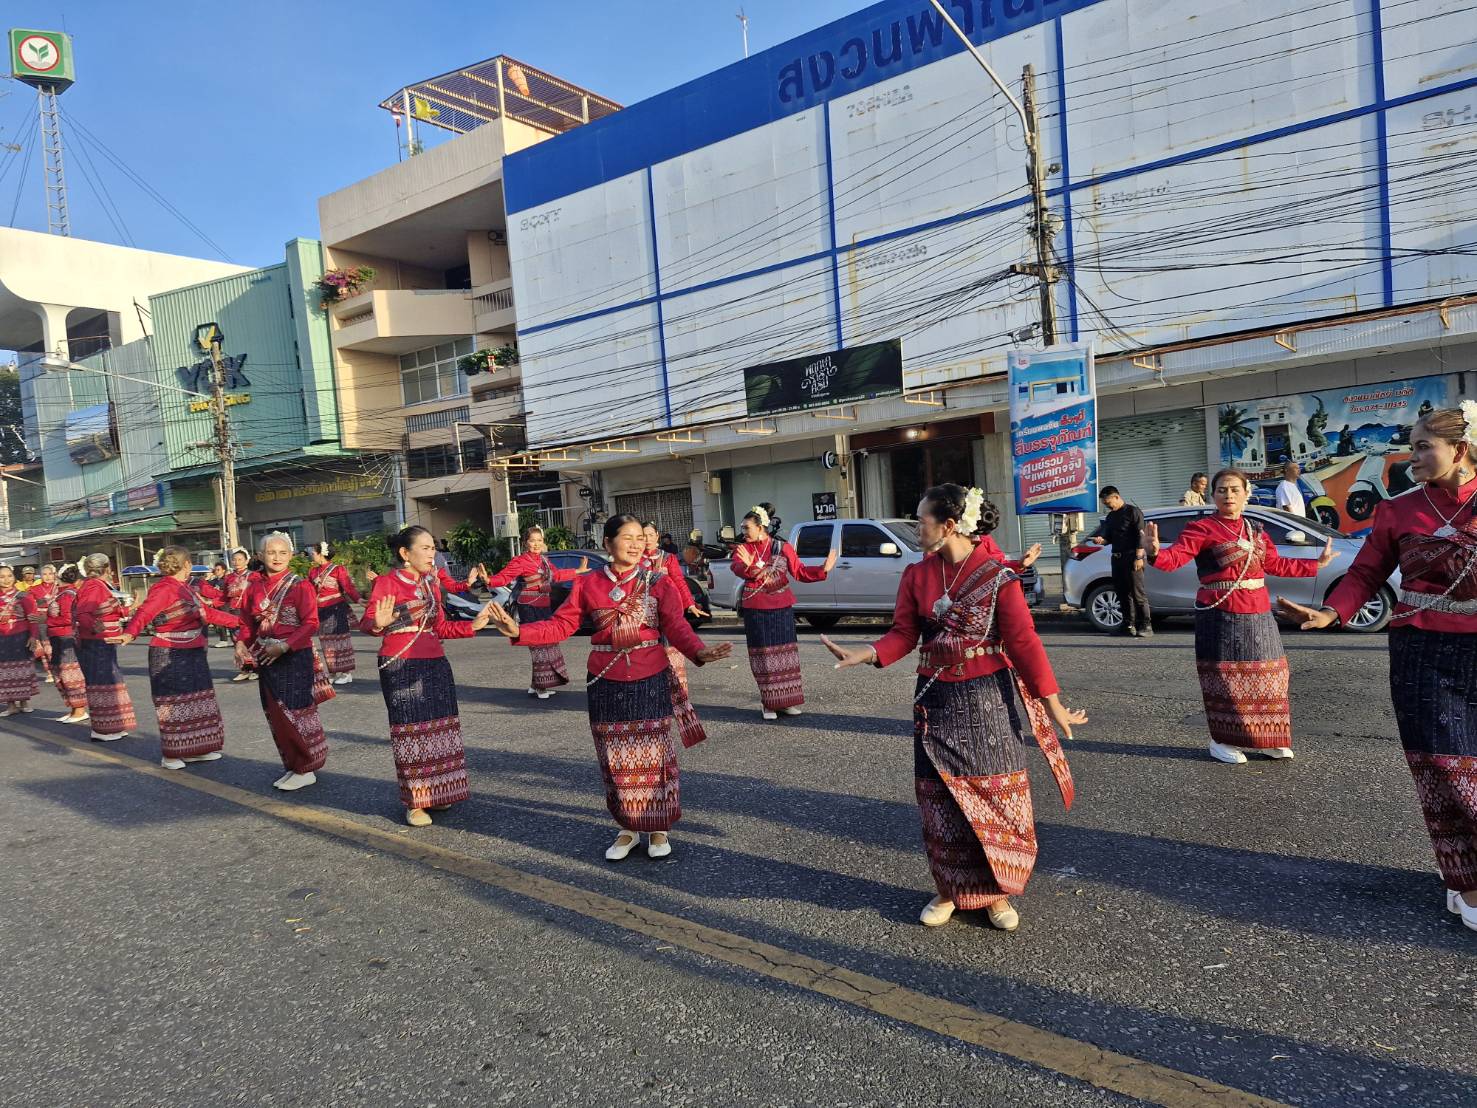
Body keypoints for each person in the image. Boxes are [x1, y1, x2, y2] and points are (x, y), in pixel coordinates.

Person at [822, 485, 1086, 931]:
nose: (916, 527)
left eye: (922, 520)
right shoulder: (917, 576)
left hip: (987, 700)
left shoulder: (997, 575)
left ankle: (996, 892)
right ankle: (949, 890)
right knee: (941, 802)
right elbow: (904, 634)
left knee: (996, 799)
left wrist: (1054, 705)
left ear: (947, 527)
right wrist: (865, 652)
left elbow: (1023, 642)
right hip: (936, 700)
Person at [1279, 405, 1477, 931]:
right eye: (1411, 446)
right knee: (1446, 764)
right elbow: (1366, 572)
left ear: (1459, 450)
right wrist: (1330, 611)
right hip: (1423, 653)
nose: (1411, 458)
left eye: (1422, 447)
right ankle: (1466, 879)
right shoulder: (1399, 510)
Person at [487, 515, 732, 861]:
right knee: (615, 758)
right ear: (607, 544)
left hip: (650, 677)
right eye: (626, 537)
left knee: (654, 755)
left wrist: (699, 652)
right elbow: (562, 625)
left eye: (639, 538)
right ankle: (628, 828)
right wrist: (518, 632)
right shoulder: (588, 584)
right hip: (604, 680)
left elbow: (676, 626)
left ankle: (659, 826)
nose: (635, 544)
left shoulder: (658, 583)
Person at [1146, 469, 1333, 764]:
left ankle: (1268, 738)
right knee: (1227, 680)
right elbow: (1175, 558)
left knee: (1271, 676)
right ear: (1214, 495)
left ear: (1247, 494)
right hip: (1220, 612)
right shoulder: (1202, 528)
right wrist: (1155, 552)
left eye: (1235, 490)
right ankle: (1222, 740)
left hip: (1258, 612)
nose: (1228, 495)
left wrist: (1316, 564)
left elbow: (1275, 564)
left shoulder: (1257, 530)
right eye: (1222, 490)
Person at [362, 526, 493, 826]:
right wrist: (378, 624)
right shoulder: (387, 583)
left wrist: (472, 627)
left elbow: (442, 627)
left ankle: (436, 792)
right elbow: (368, 622)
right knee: (411, 731)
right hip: (401, 663)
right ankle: (415, 802)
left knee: (439, 730)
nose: (431, 552)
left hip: (436, 663)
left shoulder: (432, 583)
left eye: (433, 547)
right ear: (405, 554)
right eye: (424, 547)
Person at [120, 546, 242, 770]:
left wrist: (241, 622)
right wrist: (131, 632)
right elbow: (145, 611)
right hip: (170, 653)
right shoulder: (165, 588)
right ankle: (172, 754)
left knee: (197, 699)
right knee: (173, 704)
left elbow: (208, 613)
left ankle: (195, 749)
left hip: (192, 652)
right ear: (186, 565)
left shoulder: (185, 588)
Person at [236, 532, 331, 791]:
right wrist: (241, 642)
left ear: (290, 555)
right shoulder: (254, 587)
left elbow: (311, 622)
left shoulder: (300, 585)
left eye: (282, 553)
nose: (276, 558)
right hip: (267, 657)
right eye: (270, 552)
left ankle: (306, 766)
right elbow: (247, 622)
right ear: (260, 555)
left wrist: (286, 645)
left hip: (293, 655)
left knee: (296, 712)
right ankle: (293, 764)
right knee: (276, 714)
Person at [731, 503, 836, 719]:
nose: (743, 532)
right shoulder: (744, 549)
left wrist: (823, 569)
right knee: (764, 656)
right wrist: (752, 566)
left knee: (786, 655)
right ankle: (769, 704)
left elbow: (800, 572)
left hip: (782, 608)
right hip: (756, 609)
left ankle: (788, 701)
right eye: (742, 528)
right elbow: (738, 568)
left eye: (746, 528)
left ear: (761, 527)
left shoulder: (782, 547)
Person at [482, 526, 586, 699]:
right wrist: (488, 580)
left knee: (548, 641)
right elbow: (504, 577)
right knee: (538, 646)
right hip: (529, 607)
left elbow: (557, 575)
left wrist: (577, 571)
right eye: (532, 540)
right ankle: (541, 688)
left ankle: (535, 685)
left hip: (544, 606)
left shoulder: (544, 561)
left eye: (539, 540)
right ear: (525, 543)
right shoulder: (520, 561)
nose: (536, 544)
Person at [641, 521, 710, 747]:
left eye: (650, 535)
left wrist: (689, 604)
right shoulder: (635, 559)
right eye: (643, 535)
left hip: (667, 614)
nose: (647, 539)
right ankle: (654, 699)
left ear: (657, 536)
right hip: (644, 619)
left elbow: (679, 582)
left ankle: (676, 700)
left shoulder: (667, 558)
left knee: (672, 658)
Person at [73, 553, 138, 742]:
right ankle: (102, 730)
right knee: (102, 683)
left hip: (105, 642)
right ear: (107, 568)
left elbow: (111, 612)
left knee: (110, 682)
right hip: (95, 642)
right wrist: (93, 625)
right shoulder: (93, 586)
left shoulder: (101, 586)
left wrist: (134, 606)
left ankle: (112, 725)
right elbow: (83, 613)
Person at [1088, 486, 1150, 637]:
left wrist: (1139, 557)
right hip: (1117, 559)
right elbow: (1108, 538)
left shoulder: (1133, 512)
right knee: (1122, 593)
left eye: (1108, 502)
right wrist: (1101, 540)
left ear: (1116, 497)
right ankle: (1128, 624)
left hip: (1132, 557)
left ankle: (1146, 625)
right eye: (1104, 503)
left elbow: (1140, 536)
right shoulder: (1110, 517)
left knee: (1137, 593)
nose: (1107, 505)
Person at [305, 542, 363, 686]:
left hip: (336, 608)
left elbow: (348, 587)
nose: (311, 554)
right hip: (321, 610)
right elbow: (309, 592)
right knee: (326, 641)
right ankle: (332, 671)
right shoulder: (312, 571)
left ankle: (346, 672)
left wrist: (359, 599)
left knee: (341, 639)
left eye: (313, 552)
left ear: (321, 553)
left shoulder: (338, 569)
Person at [38, 566, 88, 723]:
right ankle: (74, 708)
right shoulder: (61, 593)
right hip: (57, 636)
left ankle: (80, 710)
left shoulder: (67, 594)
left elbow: (68, 619)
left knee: (69, 673)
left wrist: (46, 620)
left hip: (65, 637)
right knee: (60, 673)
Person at [0, 565, 40, 716]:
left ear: (14, 577)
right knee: (4, 672)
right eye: (2, 576)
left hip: (20, 637)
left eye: (9, 576)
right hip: (2, 639)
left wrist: (34, 636)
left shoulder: (24, 596)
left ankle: (24, 702)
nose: (6, 579)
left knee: (23, 669)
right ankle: (10, 705)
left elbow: (33, 618)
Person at [222, 549, 261, 679]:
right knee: (236, 641)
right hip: (233, 612)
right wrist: (209, 602)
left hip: (247, 612)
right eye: (234, 559)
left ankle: (255, 668)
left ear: (246, 561)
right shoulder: (229, 577)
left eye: (240, 559)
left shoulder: (254, 576)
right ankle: (245, 669)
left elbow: (258, 594)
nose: (236, 562)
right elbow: (224, 596)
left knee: (249, 640)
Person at [27, 564, 57, 682]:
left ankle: (57, 670)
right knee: (45, 648)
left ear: (54, 575)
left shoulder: (59, 587)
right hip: (41, 621)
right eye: (44, 574)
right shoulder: (34, 589)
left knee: (56, 646)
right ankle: (49, 672)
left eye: (50, 574)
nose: (48, 576)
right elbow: (30, 606)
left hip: (57, 620)